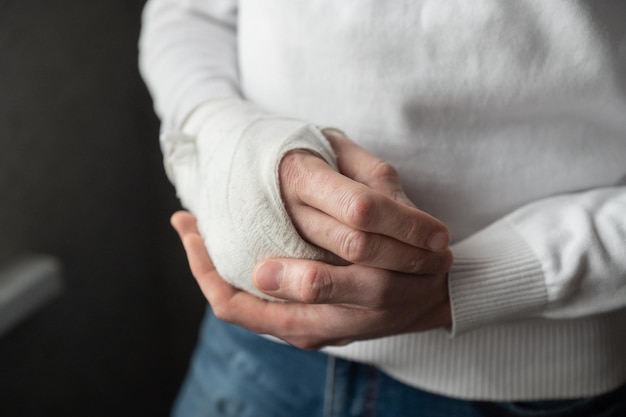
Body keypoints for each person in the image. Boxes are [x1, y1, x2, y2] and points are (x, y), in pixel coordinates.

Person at [139, 1, 626, 416]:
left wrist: (476, 281)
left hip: (531, 382)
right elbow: (190, 13)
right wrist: (221, 138)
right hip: (255, 343)